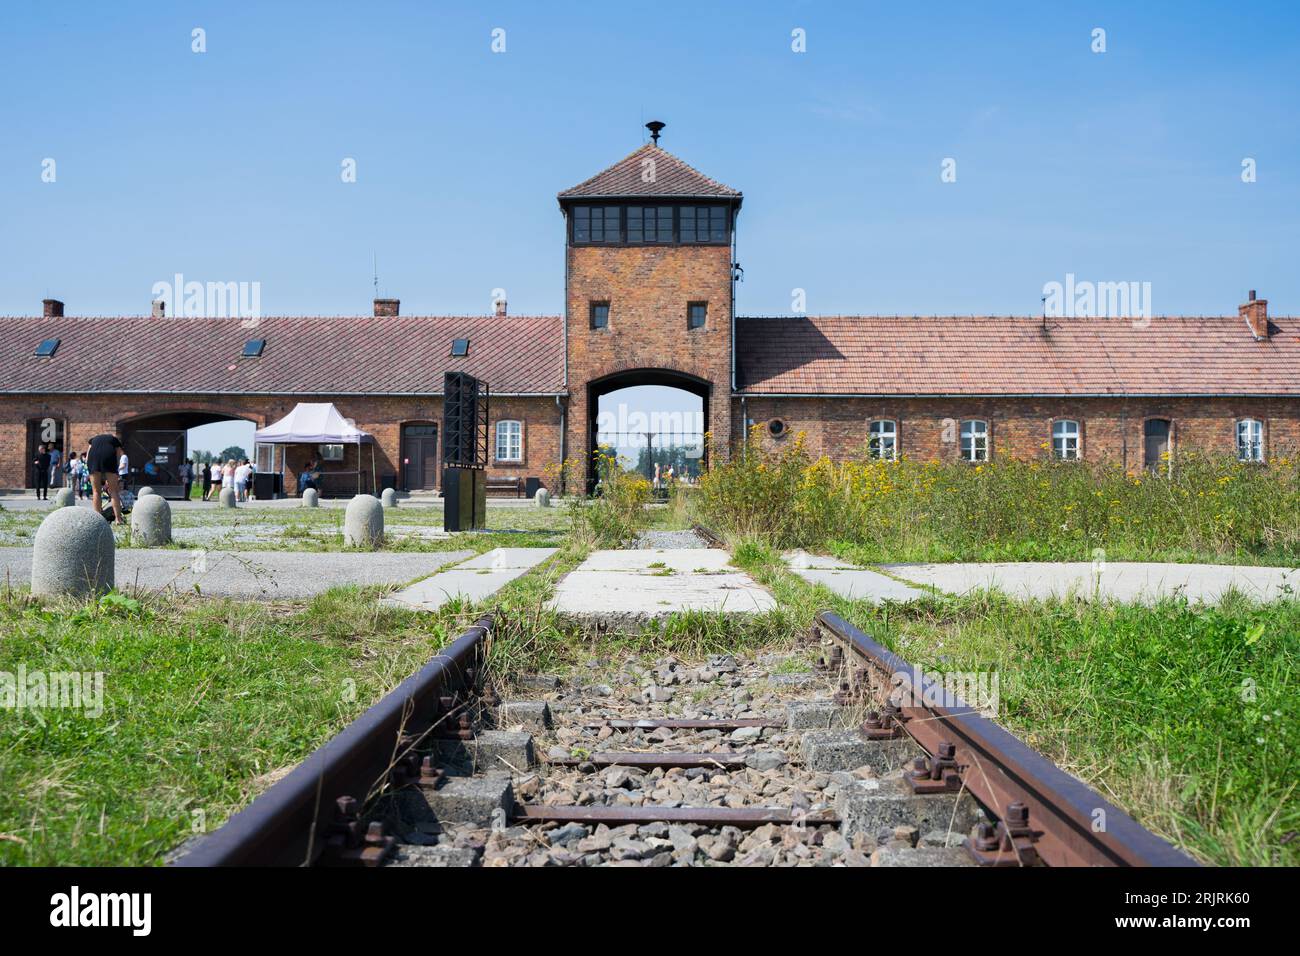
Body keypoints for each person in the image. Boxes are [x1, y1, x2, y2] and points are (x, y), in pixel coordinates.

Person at [85, 433, 125, 524]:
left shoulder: (93, 439)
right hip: (109, 457)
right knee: (113, 491)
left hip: (93, 458)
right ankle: (118, 519)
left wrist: (90, 469)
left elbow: (87, 458)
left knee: (96, 491)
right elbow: (118, 455)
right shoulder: (114, 440)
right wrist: (116, 469)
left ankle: (97, 520)